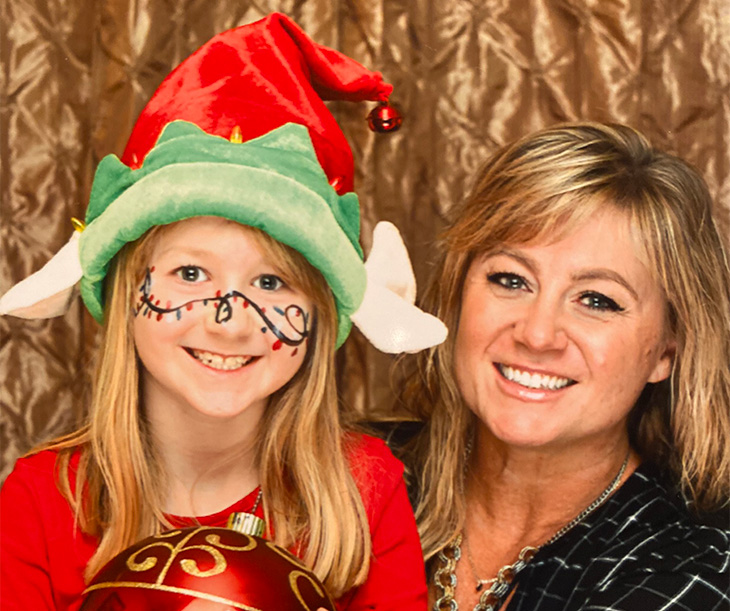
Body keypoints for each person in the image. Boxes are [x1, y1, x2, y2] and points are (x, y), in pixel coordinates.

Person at [0, 14, 446, 611]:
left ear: (320, 312)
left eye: (271, 281)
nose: (230, 322)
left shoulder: (364, 491)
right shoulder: (41, 499)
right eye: (189, 273)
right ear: (125, 291)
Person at [401, 122, 730, 610]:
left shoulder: (693, 566)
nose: (537, 334)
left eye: (597, 300)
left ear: (665, 352)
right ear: (457, 295)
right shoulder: (346, 473)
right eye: (511, 279)